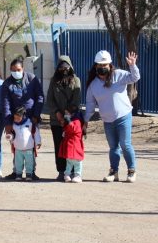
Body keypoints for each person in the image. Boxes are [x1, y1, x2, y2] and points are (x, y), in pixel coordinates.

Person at [84, 51, 140, 183]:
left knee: (125, 144)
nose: (102, 67)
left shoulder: (119, 75)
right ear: (96, 66)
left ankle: (131, 171)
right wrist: (85, 120)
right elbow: (90, 105)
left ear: (110, 65)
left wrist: (132, 65)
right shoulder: (93, 85)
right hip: (107, 120)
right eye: (99, 65)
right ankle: (113, 172)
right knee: (113, 147)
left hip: (123, 116)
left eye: (105, 64)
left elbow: (135, 77)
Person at [2, 56, 44, 180]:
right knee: (16, 146)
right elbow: (5, 104)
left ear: (23, 69)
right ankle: (17, 172)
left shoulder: (32, 79)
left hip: (31, 119)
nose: (16, 72)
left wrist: (36, 115)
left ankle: (31, 172)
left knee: (30, 146)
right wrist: (8, 123)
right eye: (13, 70)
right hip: (15, 120)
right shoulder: (7, 83)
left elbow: (40, 97)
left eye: (18, 69)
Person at [46, 56, 81, 181]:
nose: (63, 69)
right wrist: (57, 114)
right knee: (59, 146)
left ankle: (73, 171)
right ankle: (61, 171)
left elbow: (77, 100)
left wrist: (67, 113)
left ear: (70, 66)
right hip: (56, 121)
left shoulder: (76, 80)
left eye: (66, 66)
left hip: (71, 121)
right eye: (61, 67)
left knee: (72, 146)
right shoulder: (53, 81)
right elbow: (49, 100)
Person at [7, 107, 41, 181]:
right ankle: (18, 174)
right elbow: (13, 134)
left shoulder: (30, 123)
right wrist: (10, 137)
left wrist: (38, 142)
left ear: (23, 116)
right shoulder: (14, 125)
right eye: (15, 117)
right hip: (18, 149)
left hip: (29, 148)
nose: (16, 119)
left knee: (29, 162)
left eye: (18, 117)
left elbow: (36, 133)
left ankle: (29, 174)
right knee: (18, 162)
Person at [58, 107, 85, 183]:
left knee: (77, 162)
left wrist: (69, 121)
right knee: (69, 161)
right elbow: (66, 130)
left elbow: (73, 129)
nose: (66, 115)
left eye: (67, 113)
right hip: (69, 144)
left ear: (72, 114)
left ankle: (77, 175)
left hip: (75, 145)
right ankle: (67, 174)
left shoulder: (77, 121)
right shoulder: (70, 122)